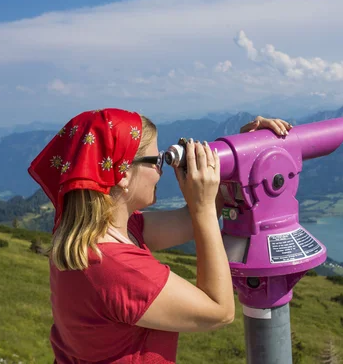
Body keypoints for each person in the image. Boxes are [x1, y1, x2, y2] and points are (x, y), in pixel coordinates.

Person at [28, 108, 293, 363]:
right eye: (155, 162)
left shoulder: (95, 234)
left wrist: (243, 152)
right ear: (121, 174)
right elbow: (219, 312)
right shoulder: (114, 269)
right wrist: (201, 208)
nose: (161, 170)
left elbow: (189, 221)